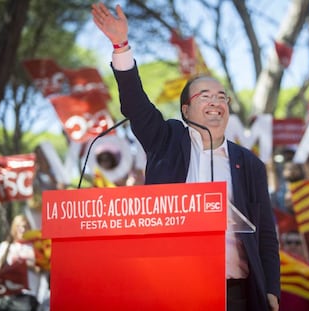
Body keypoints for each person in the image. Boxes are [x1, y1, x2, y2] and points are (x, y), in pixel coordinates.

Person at [91, 3, 280, 310]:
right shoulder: (166, 140)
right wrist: (121, 46)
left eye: (222, 97)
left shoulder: (249, 164)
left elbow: (267, 237)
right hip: (172, 288)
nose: (216, 102)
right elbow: (136, 104)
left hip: (237, 295)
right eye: (205, 96)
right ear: (186, 111)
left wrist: (272, 289)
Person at [0, 214, 41, 311]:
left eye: (25, 226)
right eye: (19, 226)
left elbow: (40, 269)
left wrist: (25, 264)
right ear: (14, 228)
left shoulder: (35, 247)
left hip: (28, 294)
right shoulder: (6, 245)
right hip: (9, 293)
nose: (22, 229)